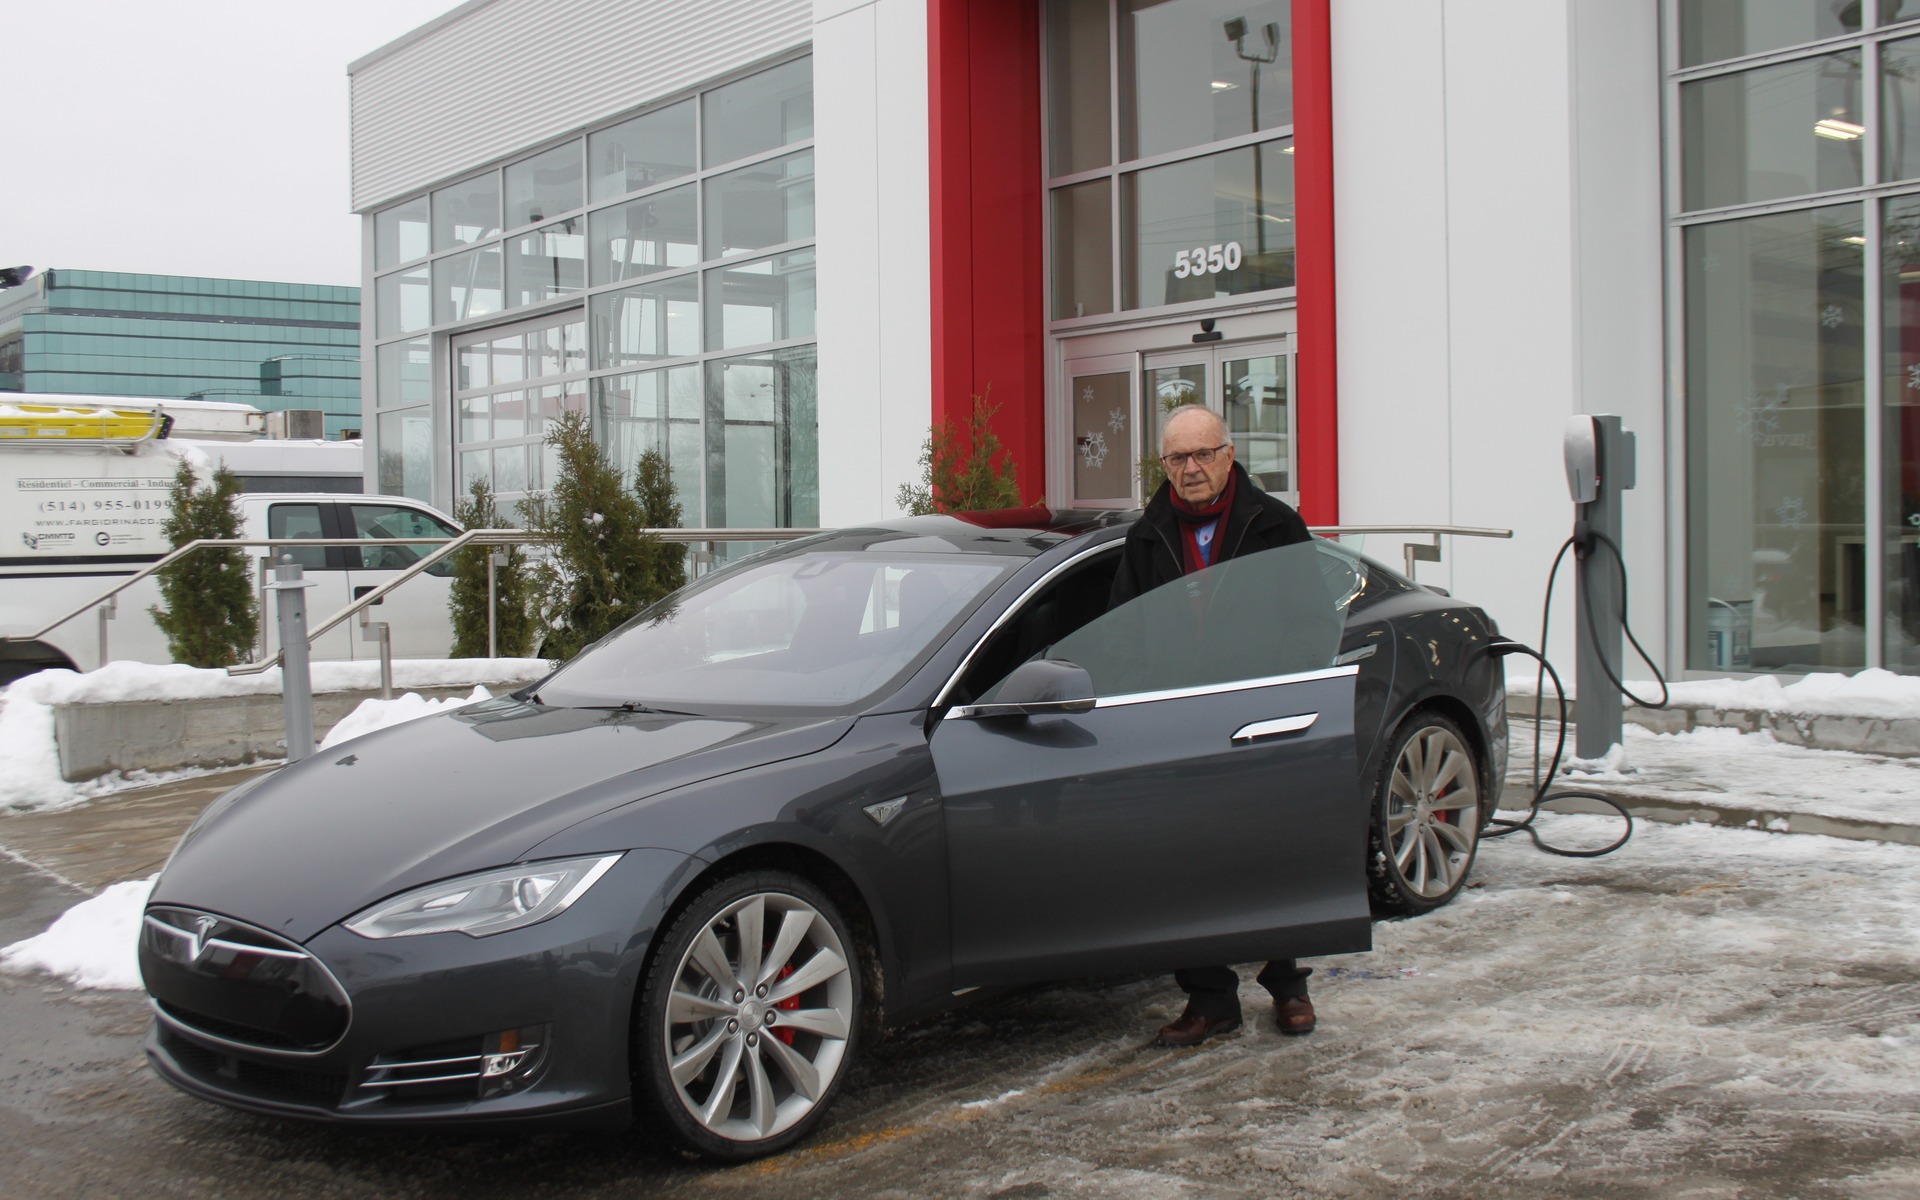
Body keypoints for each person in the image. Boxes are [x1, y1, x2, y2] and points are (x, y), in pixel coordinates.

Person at [1107, 404, 1318, 1047]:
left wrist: (1283, 699)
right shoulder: (1148, 535)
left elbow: (1309, 627)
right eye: (1177, 458)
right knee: (1186, 865)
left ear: (1228, 455)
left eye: (1202, 455)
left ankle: (1289, 986)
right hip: (1181, 727)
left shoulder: (1276, 526)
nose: (1191, 469)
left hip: (1260, 722)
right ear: (1165, 464)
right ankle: (1209, 998)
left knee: (1272, 858)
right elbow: (1122, 634)